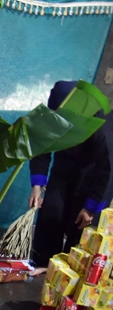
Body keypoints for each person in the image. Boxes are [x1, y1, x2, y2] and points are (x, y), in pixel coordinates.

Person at [29, 81, 113, 273]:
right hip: (63, 167)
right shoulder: (55, 114)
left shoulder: (102, 127)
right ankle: (42, 265)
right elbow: (42, 147)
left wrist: (90, 208)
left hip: (94, 176)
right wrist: (37, 185)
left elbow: (108, 170)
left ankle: (69, 273)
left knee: (80, 226)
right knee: (51, 215)